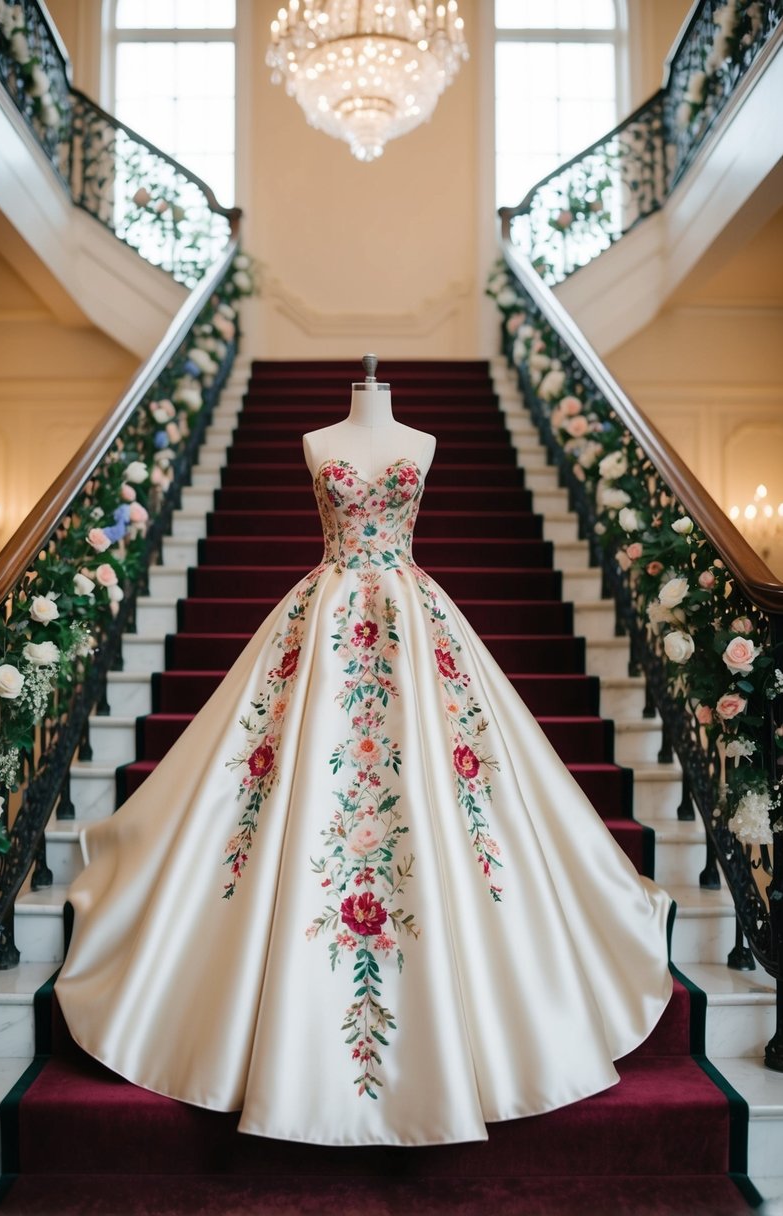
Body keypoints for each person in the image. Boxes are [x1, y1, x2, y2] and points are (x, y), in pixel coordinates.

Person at [56, 357, 673, 1147]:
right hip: (326, 610)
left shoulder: (423, 439)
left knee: (457, 797)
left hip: (413, 618)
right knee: (284, 784)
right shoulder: (318, 439)